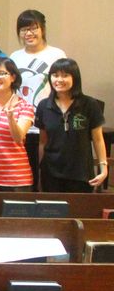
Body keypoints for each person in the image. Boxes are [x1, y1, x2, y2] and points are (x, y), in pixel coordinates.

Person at [10, 9, 66, 188]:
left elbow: (64, 87)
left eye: (33, 28)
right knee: (25, 174)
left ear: (43, 29)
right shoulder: (15, 57)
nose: (28, 33)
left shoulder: (56, 54)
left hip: (49, 121)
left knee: (47, 173)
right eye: (23, 29)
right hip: (22, 124)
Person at [36, 58, 107, 193]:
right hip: (51, 173)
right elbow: (42, 142)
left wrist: (103, 168)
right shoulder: (44, 106)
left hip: (81, 173)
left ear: (75, 78)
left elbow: (98, 139)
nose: (59, 80)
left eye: (65, 75)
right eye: (55, 75)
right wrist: (40, 172)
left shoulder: (89, 104)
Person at [0, 57, 36, 190]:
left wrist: (10, 118)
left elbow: (18, 138)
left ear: (13, 77)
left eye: (1, 73)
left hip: (18, 179)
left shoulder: (24, 106)